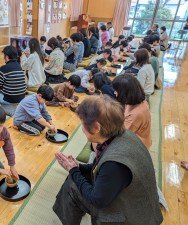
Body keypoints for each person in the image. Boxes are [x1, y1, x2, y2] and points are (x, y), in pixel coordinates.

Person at [53, 95, 163, 225]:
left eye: (83, 123)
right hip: (139, 206)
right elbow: (101, 169)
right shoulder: (123, 135)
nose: (82, 128)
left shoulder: (114, 164)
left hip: (131, 218)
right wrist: (78, 167)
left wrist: (73, 171)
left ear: (97, 127)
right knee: (76, 176)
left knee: (72, 185)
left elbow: (97, 200)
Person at [112, 74, 151, 149]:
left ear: (124, 93)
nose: (115, 93)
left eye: (116, 91)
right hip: (135, 136)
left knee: (96, 140)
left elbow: (120, 136)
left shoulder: (136, 114)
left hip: (138, 146)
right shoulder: (136, 100)